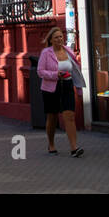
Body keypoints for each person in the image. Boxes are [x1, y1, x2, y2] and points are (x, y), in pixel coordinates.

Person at [37, 26, 84, 157]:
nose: (59, 39)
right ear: (51, 40)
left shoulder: (68, 51)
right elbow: (40, 72)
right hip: (51, 88)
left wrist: (79, 91)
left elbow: (76, 72)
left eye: (61, 37)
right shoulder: (46, 53)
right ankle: (51, 144)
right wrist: (55, 74)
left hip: (67, 85)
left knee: (69, 115)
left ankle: (74, 148)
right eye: (56, 37)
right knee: (52, 117)